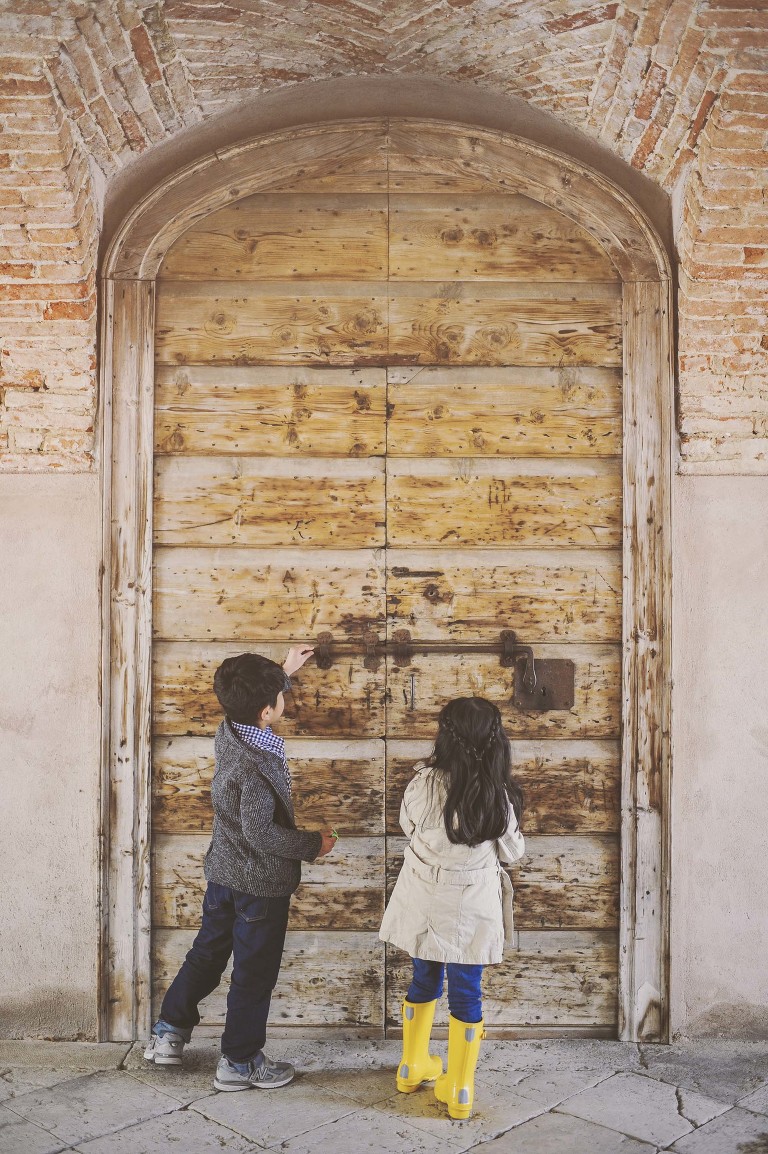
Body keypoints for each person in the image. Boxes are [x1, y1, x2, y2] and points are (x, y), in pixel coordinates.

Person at [144, 646, 336, 1091]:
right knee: (254, 972)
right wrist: (313, 844)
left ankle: (168, 1034)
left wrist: (282, 673)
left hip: (223, 875)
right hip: (257, 886)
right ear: (266, 711)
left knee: (207, 954)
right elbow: (262, 834)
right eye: (278, 697)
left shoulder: (229, 731)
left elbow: (251, 706)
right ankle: (240, 1062)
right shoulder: (256, 764)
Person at [379, 696, 525, 1120]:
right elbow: (513, 851)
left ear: (445, 735)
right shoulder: (497, 795)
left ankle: (411, 1066)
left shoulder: (423, 782)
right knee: (466, 988)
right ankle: (460, 1088)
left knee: (423, 978)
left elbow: (408, 826)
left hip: (423, 899)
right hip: (470, 907)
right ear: (495, 740)